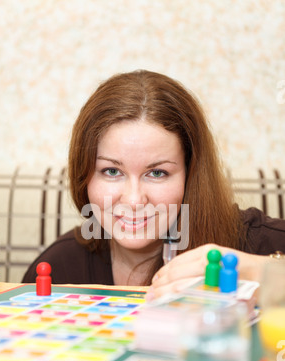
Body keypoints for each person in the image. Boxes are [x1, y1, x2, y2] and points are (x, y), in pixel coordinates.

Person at [22, 69, 285, 295]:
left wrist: (262, 274)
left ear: (190, 175)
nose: (135, 200)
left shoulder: (257, 242)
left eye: (157, 173)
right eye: (112, 171)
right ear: (84, 176)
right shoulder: (60, 267)